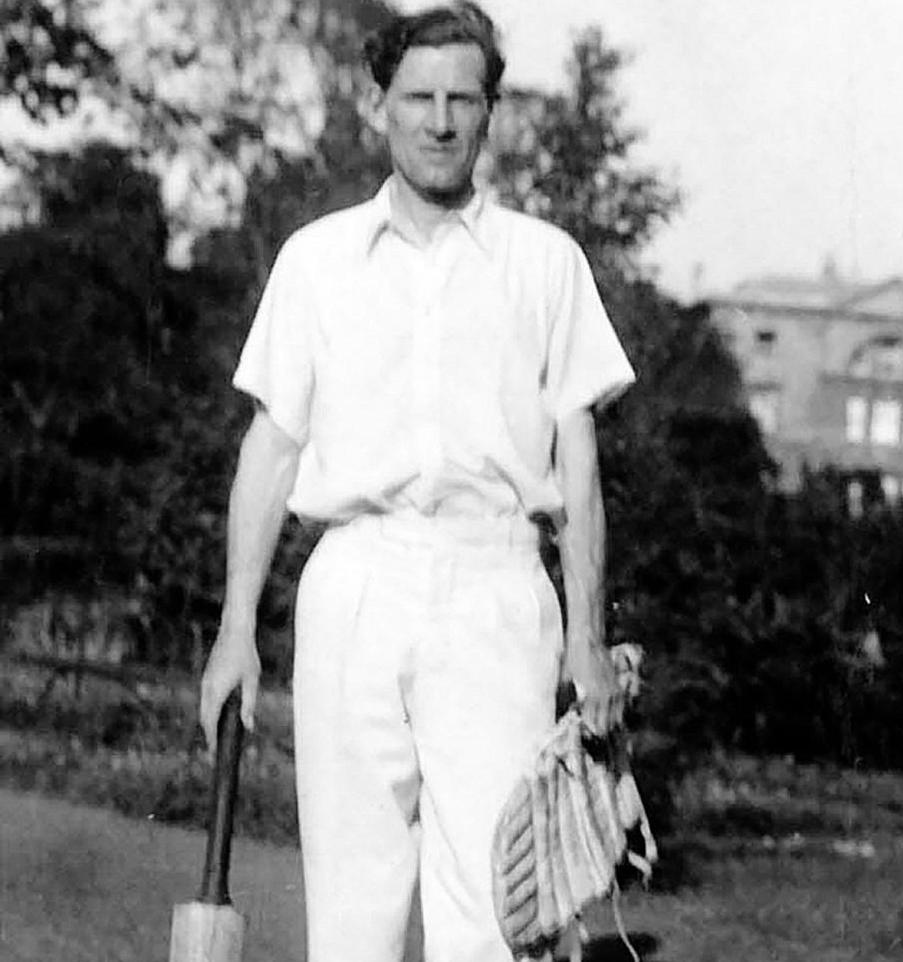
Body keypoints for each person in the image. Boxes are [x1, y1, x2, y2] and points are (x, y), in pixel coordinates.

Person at [199, 3, 636, 960]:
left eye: (462, 100)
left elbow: (580, 463)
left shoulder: (545, 264)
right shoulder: (316, 261)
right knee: (352, 912)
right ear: (381, 108)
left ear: (489, 114)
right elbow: (271, 452)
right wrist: (237, 631)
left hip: (496, 593)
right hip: (354, 586)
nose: (440, 121)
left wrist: (588, 641)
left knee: (492, 912)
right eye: (419, 98)